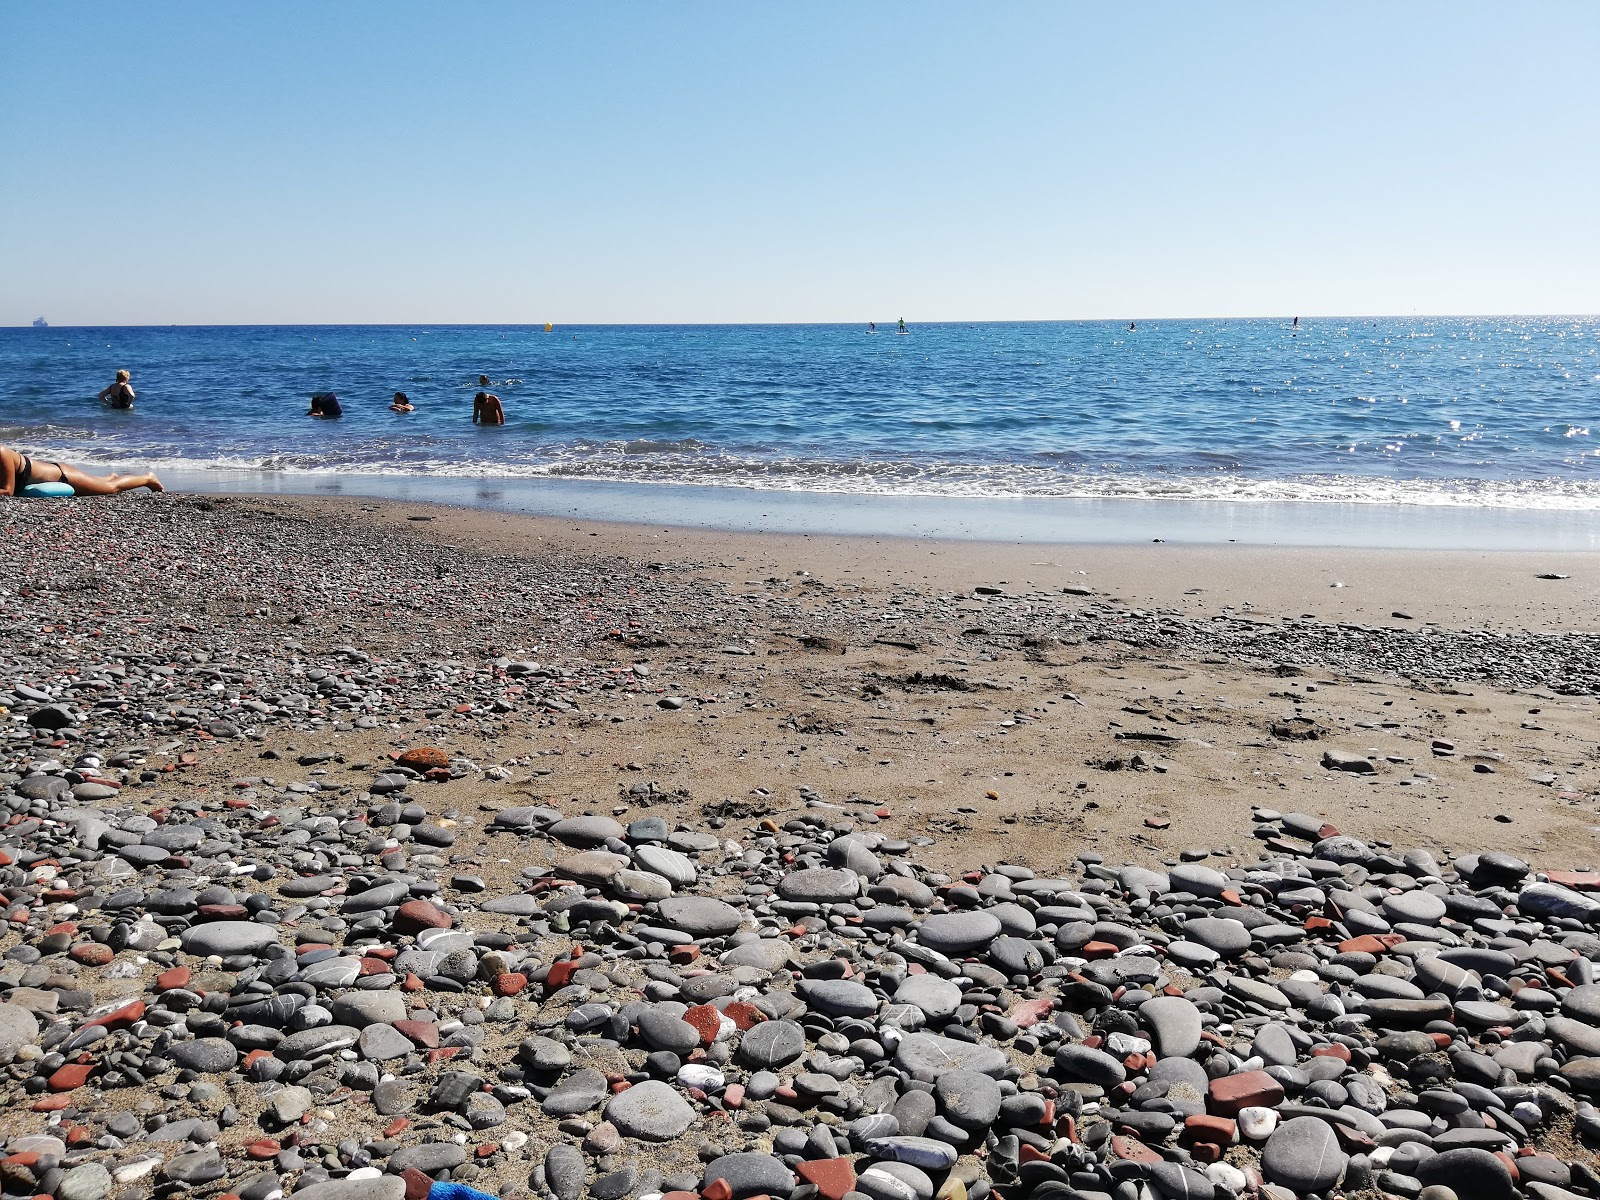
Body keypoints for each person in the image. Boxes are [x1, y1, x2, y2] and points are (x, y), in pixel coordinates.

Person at [0, 445, 163, 495]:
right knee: (104, 483)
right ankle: (109, 476)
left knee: (111, 488)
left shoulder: (2, 453)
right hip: (55, 473)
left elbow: (8, 491)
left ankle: (148, 478)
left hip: (63, 476)